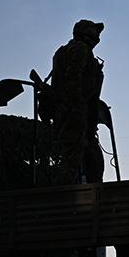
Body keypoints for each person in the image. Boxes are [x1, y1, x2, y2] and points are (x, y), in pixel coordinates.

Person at [50, 19, 105, 185]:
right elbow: (73, 80)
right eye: (94, 32)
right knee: (72, 161)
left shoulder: (67, 51)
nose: (97, 37)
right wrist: (77, 108)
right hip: (75, 114)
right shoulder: (79, 49)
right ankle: (63, 200)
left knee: (92, 159)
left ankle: (93, 196)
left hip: (77, 114)